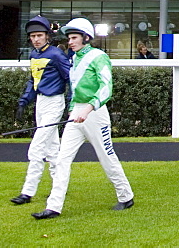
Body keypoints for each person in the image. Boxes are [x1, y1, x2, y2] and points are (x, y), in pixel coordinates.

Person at [33, 18, 134, 219]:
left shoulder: (99, 57)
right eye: (69, 38)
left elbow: (106, 88)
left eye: (74, 38)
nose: (70, 42)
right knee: (62, 159)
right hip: (76, 115)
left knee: (106, 157)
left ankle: (126, 196)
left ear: (86, 38)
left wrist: (87, 110)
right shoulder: (75, 59)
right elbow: (74, 88)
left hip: (95, 114)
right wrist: (73, 109)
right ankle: (53, 207)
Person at [11, 16, 72, 206]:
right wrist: (23, 101)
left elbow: (71, 79)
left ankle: (27, 192)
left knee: (36, 148)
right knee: (52, 149)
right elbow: (33, 81)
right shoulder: (33, 55)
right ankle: (58, 187)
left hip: (55, 102)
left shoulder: (56, 55)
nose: (36, 39)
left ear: (47, 36)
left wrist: (71, 104)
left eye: (39, 35)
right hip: (40, 102)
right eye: (33, 36)